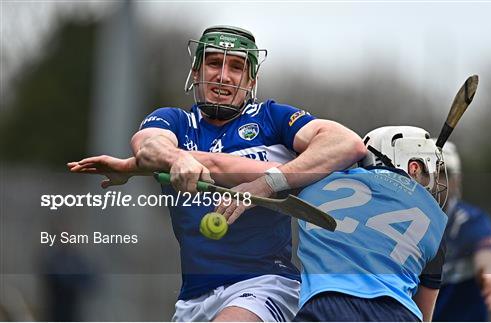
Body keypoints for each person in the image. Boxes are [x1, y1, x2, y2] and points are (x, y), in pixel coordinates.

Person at [68, 25, 366, 321]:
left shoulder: (272, 119)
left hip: (264, 285)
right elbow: (147, 145)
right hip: (193, 296)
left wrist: (268, 182)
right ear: (196, 73)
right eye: (213, 63)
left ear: (251, 80)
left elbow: (346, 144)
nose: (223, 76)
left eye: (236, 67)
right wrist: (176, 158)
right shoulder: (175, 121)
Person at [291, 126, 448, 321]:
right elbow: (425, 315)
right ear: (413, 167)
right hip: (397, 313)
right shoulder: (436, 219)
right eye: (428, 171)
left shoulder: (313, 188)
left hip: (326, 306)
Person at [433, 142, 491, 321]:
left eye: (444, 174)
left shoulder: (471, 220)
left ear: (456, 181)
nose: (436, 182)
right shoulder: (407, 221)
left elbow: (487, 252)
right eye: (430, 173)